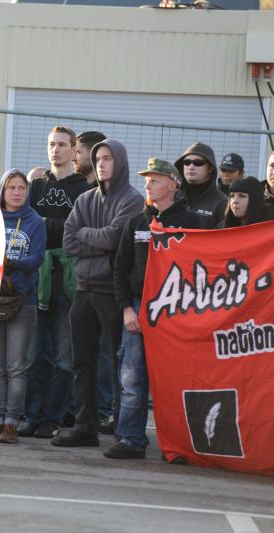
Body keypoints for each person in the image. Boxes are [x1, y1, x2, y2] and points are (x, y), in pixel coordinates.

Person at [107, 158, 206, 459]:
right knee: (132, 378)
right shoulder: (137, 222)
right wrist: (126, 308)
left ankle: (178, 446)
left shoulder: (192, 222)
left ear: (173, 184)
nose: (147, 184)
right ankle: (131, 439)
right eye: (147, 179)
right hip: (139, 306)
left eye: (155, 179)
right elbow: (120, 268)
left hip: (177, 308)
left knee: (176, 380)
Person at [54, 138, 143, 448]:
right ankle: (85, 426)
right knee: (82, 362)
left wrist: (87, 236)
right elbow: (69, 241)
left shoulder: (133, 200)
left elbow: (115, 238)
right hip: (83, 290)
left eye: (108, 158)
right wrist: (98, 242)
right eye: (98, 158)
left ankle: (124, 428)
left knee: (119, 364)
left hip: (112, 294)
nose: (102, 163)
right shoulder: (85, 199)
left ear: (120, 161)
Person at [19, 126, 93, 439]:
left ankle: (54, 417)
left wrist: (45, 224)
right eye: (51, 144)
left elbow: (76, 230)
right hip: (36, 273)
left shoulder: (84, 190)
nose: (56, 150)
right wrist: (52, 226)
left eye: (62, 145)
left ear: (74, 151)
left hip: (68, 276)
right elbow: (25, 222)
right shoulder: (36, 186)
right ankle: (32, 416)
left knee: (64, 356)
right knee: (36, 354)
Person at [0, 169, 46, 445]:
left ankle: (12, 424)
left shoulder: (35, 222)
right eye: (11, 188)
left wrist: (14, 264)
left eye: (22, 188)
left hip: (22, 300)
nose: (17, 192)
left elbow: (37, 258)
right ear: (3, 191)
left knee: (16, 366)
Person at [173, 142, 227, 228]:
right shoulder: (170, 196)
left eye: (198, 163)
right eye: (187, 162)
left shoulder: (222, 203)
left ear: (210, 168)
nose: (191, 167)